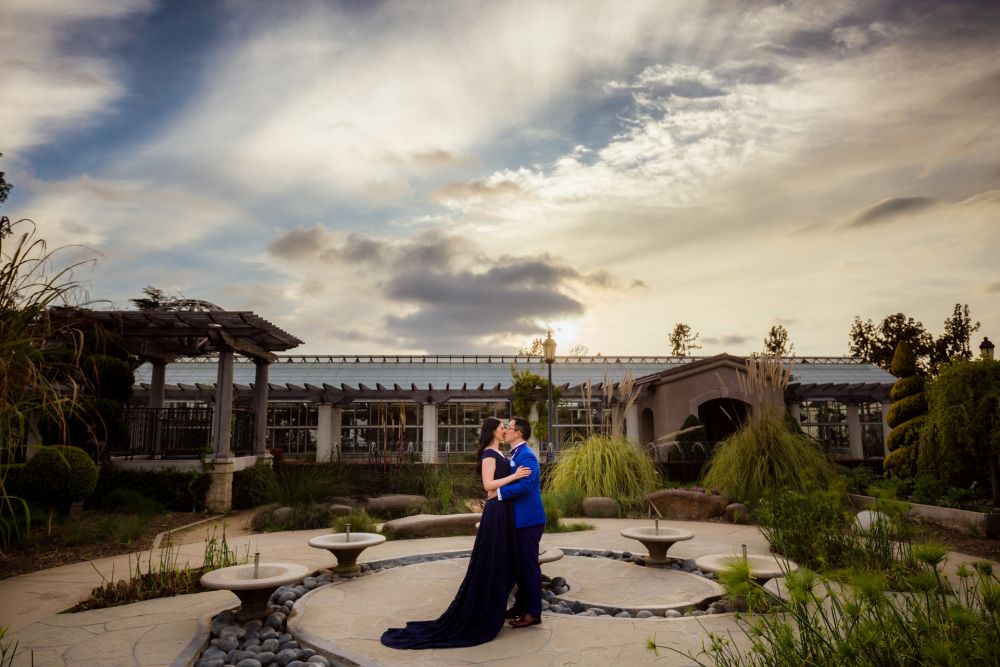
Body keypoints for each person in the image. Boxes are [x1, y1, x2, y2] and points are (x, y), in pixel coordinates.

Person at [380, 416, 531, 649]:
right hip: (497, 513)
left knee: (503, 561)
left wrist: (512, 480)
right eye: (502, 428)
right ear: (492, 431)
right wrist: (514, 476)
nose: (505, 430)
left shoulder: (502, 454)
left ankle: (495, 607)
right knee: (491, 560)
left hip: (505, 511)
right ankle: (484, 613)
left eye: (506, 428)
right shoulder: (489, 455)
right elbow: (488, 486)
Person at [494, 416, 546, 628]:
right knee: (518, 567)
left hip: (529, 521)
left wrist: (497, 492)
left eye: (510, 427)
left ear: (519, 434)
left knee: (529, 567)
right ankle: (521, 605)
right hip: (518, 520)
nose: (505, 429)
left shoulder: (527, 456)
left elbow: (525, 486)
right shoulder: (515, 454)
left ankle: (533, 613)